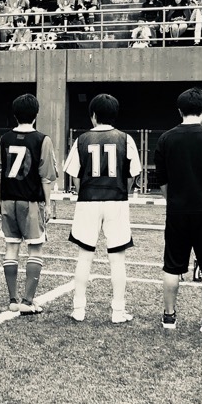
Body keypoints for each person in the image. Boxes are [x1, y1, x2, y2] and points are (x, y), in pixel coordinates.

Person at [150, 88, 202, 332]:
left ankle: (168, 317)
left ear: (179, 111)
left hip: (177, 212)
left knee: (172, 265)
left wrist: (172, 200)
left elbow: (161, 180)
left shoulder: (166, 139)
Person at [64, 94, 141, 323]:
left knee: (84, 257)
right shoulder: (126, 139)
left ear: (93, 115)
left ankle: (79, 309)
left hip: (88, 200)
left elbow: (75, 177)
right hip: (116, 200)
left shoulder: (82, 139)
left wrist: (86, 191)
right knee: (117, 259)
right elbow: (132, 175)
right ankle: (118, 311)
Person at [0, 93, 58, 314]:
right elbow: (46, 175)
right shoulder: (42, 139)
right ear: (36, 114)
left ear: (15, 115)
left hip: (8, 200)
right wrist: (48, 204)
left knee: (11, 248)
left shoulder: (4, 139)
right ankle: (28, 302)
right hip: (31, 202)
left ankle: (12, 299)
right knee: (35, 249)